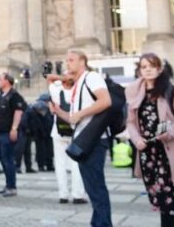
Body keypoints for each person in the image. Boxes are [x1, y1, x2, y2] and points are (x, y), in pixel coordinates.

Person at [125, 53, 174, 227]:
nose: (147, 70)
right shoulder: (133, 91)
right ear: (139, 70)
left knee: (166, 192)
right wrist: (136, 139)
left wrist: (170, 132)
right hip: (146, 149)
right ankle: (173, 223)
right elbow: (130, 122)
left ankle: (169, 224)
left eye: (152, 66)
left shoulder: (170, 89)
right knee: (157, 193)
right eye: (144, 67)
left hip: (166, 148)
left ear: (159, 68)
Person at [50, 50, 112, 227]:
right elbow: (73, 118)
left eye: (71, 60)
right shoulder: (78, 83)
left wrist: (80, 113)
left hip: (94, 139)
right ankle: (98, 222)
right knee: (91, 188)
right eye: (66, 60)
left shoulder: (91, 77)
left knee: (96, 187)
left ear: (82, 61)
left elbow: (105, 100)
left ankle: (103, 224)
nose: (67, 63)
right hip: (83, 139)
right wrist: (57, 111)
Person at [47, 74, 86, 204]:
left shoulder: (56, 91)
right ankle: (77, 194)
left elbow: (49, 78)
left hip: (58, 132)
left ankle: (63, 195)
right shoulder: (79, 91)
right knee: (76, 164)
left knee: (60, 164)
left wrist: (61, 77)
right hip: (76, 131)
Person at [0, 73, 26, 197]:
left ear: (7, 81)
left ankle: (12, 187)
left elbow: (18, 112)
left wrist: (14, 128)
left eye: (0, 79)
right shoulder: (0, 95)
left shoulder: (14, 96)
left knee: (8, 159)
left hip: (7, 133)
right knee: (2, 159)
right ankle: (8, 184)